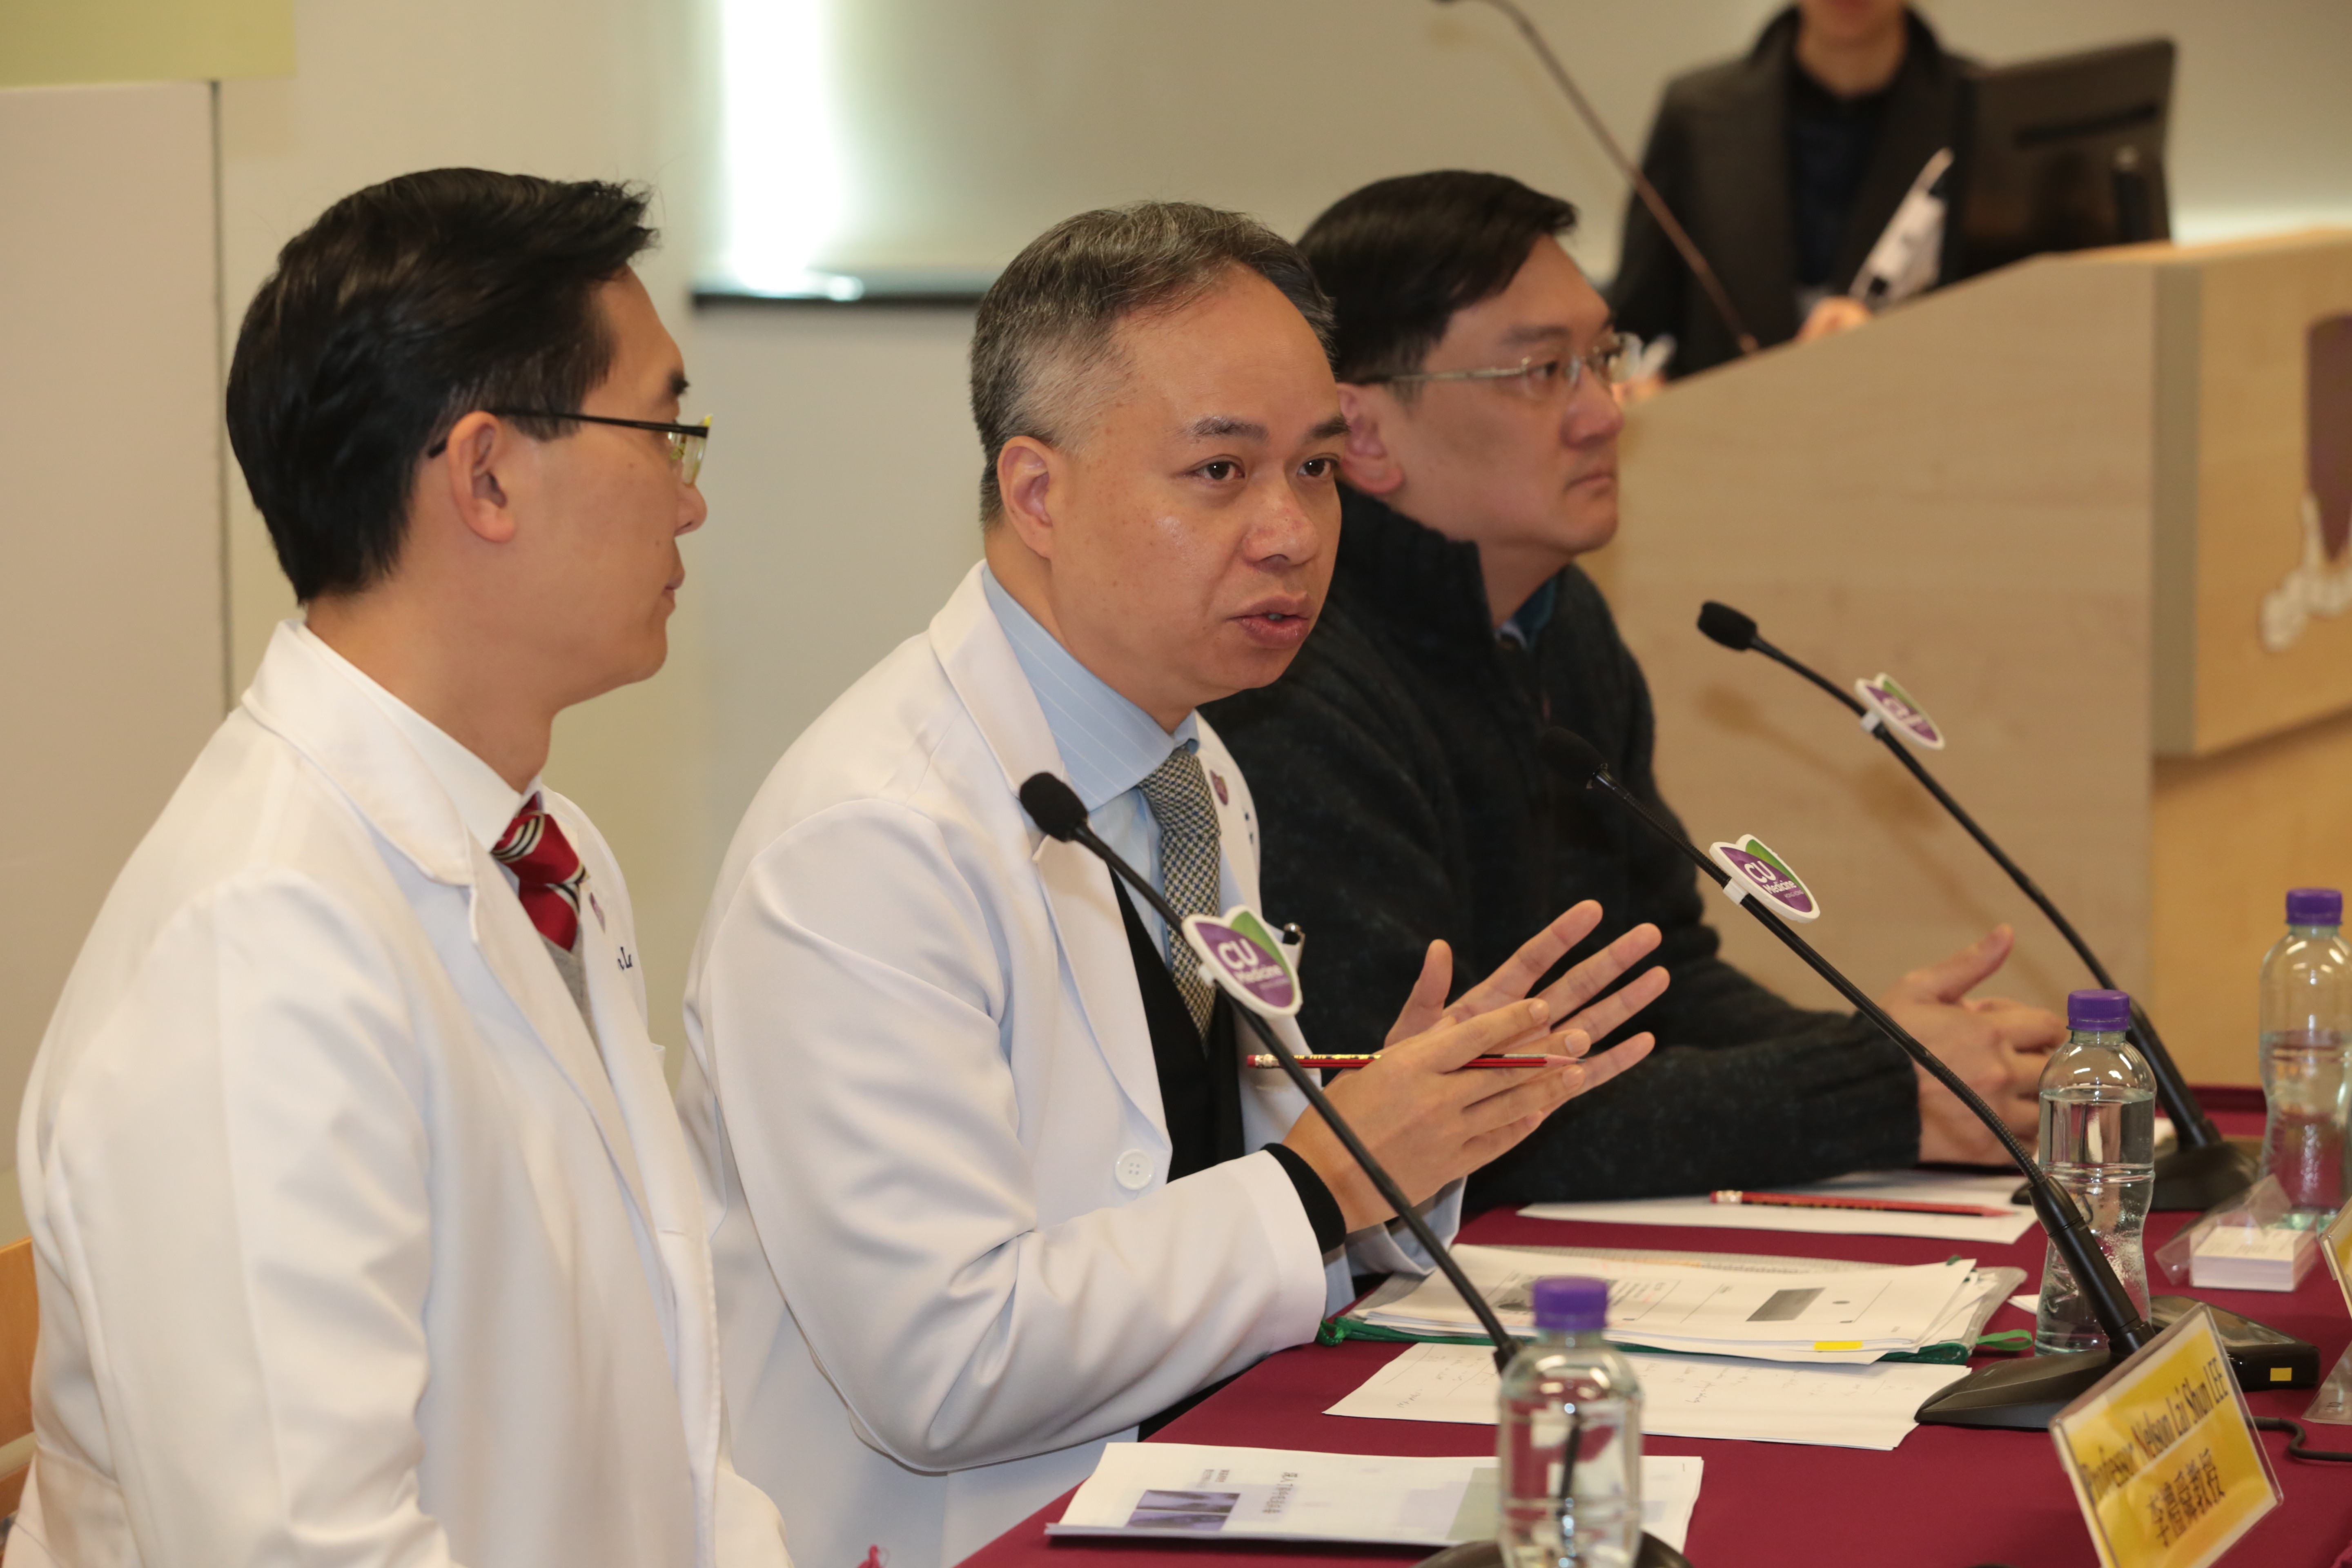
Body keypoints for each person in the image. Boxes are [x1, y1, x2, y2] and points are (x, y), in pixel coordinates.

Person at [679, 201, 1666, 1568]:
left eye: (1317, 470)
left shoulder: (1190, 764)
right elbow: (944, 1369)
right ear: (1040, 493)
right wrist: (1328, 1177)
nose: (1289, 532)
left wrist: (1411, 1120)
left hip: (1185, 1489)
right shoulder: (872, 841)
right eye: (1220, 473)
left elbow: (1207, 1173)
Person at [9, 170, 788, 1568]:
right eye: (667, 434)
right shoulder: (259, 943)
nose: (693, 508)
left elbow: (677, 1427)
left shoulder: (537, 843)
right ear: (485, 471)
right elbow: (304, 1552)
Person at [1207, 171, 2065, 1207]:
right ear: (1366, 432)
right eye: (1539, 371)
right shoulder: (1292, 686)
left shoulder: (1559, 625)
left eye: (1602, 359)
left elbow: (1657, 981)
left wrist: (1921, 1059)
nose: (1602, 413)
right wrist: (1875, 1084)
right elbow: (1443, 1122)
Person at [1612, 0, 1970, 379]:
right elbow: (1634, 325)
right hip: (1729, 422)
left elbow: (1998, 321)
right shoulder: (1694, 114)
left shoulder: (1980, 111)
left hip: (1915, 415)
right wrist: (1639, 381)